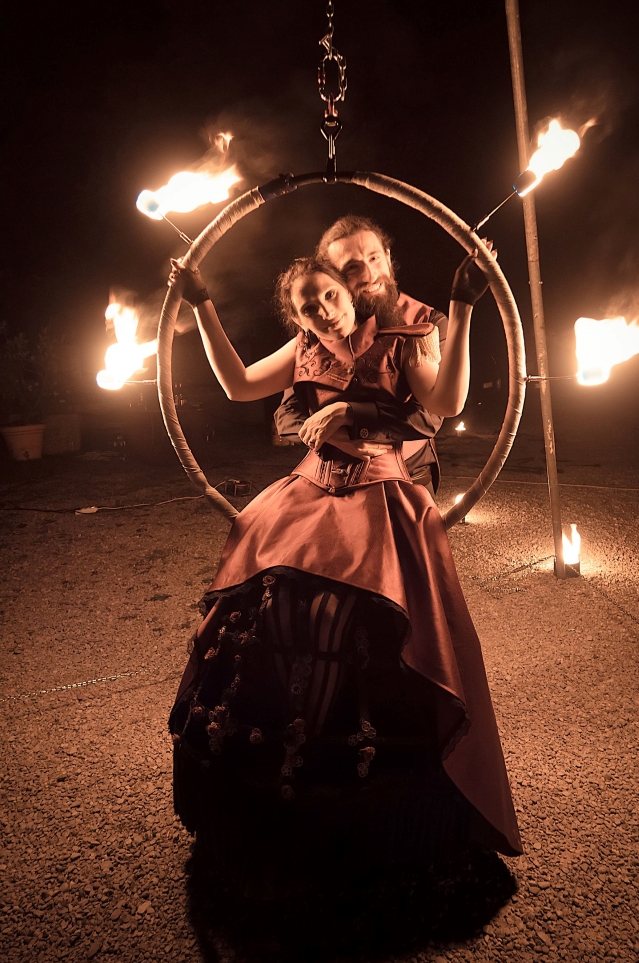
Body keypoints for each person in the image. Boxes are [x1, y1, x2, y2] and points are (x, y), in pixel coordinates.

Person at [168, 247, 522, 896]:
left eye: (326, 295)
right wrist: (199, 302)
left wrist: (463, 305)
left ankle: (396, 804)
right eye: (305, 306)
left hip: (383, 495)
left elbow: (439, 406)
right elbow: (239, 384)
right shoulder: (304, 348)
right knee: (277, 596)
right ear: (297, 317)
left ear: (349, 289)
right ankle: (275, 794)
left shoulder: (399, 333)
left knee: (379, 621)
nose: (319, 311)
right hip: (312, 494)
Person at [273, 216, 447, 495]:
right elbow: (287, 414)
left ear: (388, 257)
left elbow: (428, 417)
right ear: (334, 278)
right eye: (352, 268)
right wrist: (336, 440)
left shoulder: (426, 320)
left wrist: (350, 416)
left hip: (409, 478)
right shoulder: (323, 328)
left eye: (375, 258)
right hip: (331, 481)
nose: (370, 274)